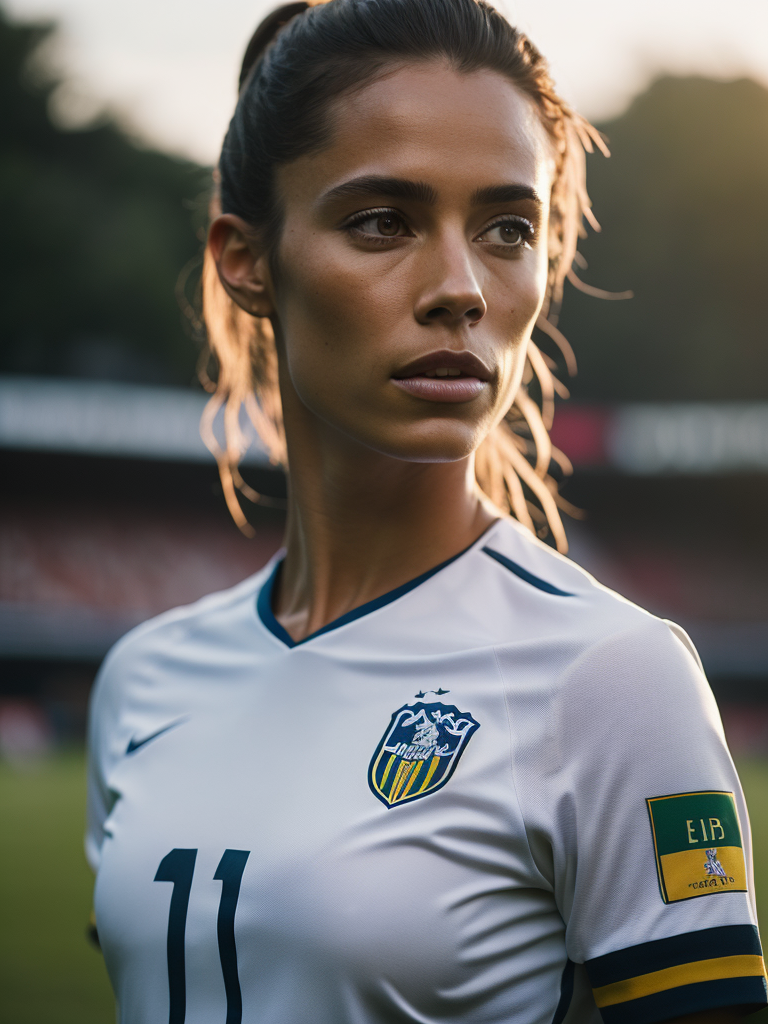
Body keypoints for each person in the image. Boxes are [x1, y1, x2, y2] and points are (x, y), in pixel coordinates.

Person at [85, 1, 767, 1022]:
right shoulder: (143, 682)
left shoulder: (613, 678)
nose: (460, 287)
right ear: (247, 259)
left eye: (506, 228)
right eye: (382, 221)